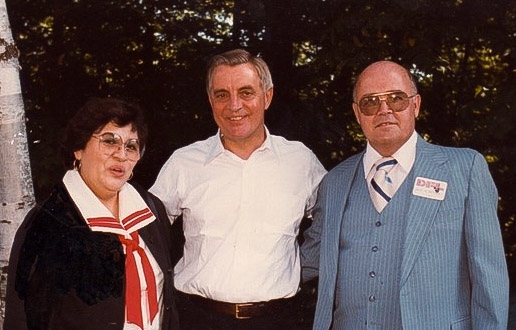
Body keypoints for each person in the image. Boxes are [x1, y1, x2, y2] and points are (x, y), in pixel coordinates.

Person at [301, 60, 509, 329]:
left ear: (416, 105)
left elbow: (489, 277)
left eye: (396, 99)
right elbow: (306, 260)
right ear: (356, 113)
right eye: (370, 102)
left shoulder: (464, 169)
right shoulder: (335, 181)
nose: (384, 110)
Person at [149, 48, 327, 329]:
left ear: (267, 97)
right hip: (196, 318)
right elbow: (146, 232)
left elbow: (334, 223)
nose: (234, 105)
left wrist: (300, 267)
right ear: (210, 101)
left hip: (278, 320)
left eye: (246, 92)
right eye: (222, 94)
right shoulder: (185, 162)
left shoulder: (300, 161)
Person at [4, 97, 180, 330]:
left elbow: (167, 303)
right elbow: (22, 319)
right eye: (109, 142)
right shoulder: (48, 222)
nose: (121, 155)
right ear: (78, 148)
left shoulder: (150, 210)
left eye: (131, 146)